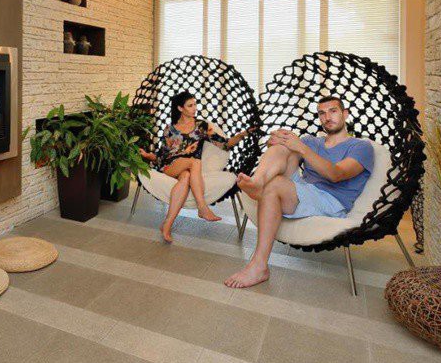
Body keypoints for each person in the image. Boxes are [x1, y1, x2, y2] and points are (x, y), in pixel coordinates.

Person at [224, 96, 374, 288]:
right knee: (282, 146)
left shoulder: (361, 146)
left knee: (275, 184)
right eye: (322, 113)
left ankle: (259, 266)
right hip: (304, 188)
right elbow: (286, 157)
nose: (327, 117)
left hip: (331, 200)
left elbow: (337, 174)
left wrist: (301, 148)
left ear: (345, 114)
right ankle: (258, 181)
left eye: (333, 111)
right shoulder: (312, 141)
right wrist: (276, 142)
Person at [139, 91, 255, 242]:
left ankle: (167, 224)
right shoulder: (170, 129)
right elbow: (163, 155)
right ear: (180, 108)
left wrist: (242, 134)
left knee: (186, 176)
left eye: (195, 104)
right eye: (190, 105)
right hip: (170, 166)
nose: (195, 108)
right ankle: (202, 207)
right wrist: (149, 156)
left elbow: (224, 144)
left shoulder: (201, 127)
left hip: (187, 170)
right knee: (194, 161)